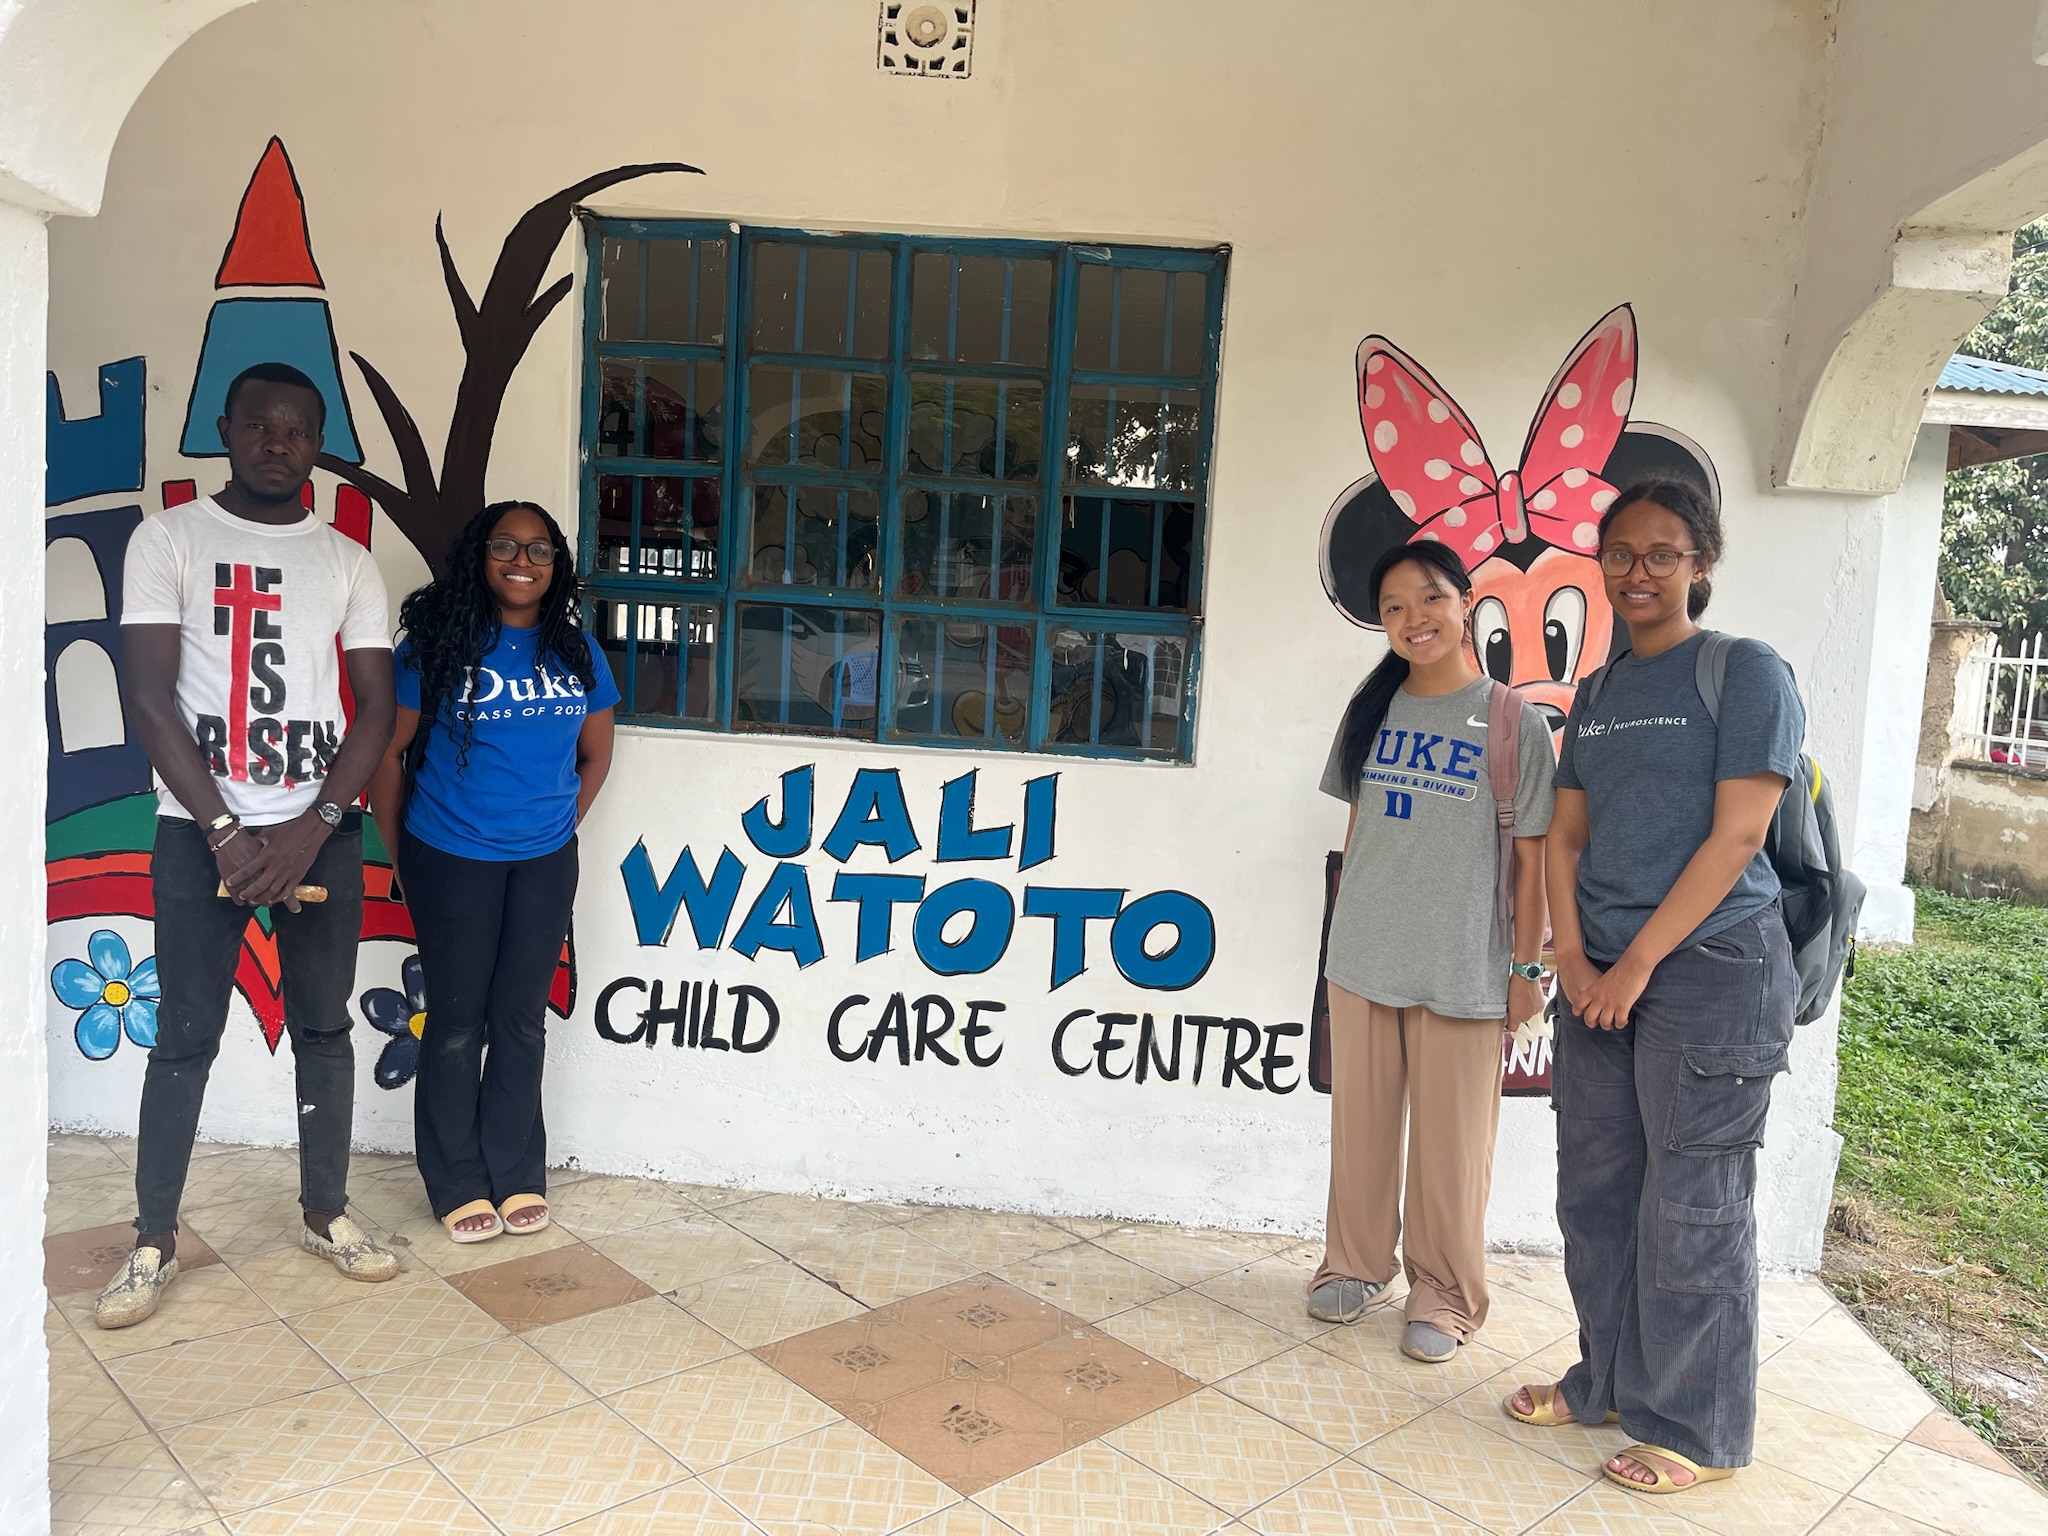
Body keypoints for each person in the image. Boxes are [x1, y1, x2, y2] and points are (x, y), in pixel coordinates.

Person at [1506, 478, 1804, 1497]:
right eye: (1620, 553)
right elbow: (1568, 834)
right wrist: (1574, 958)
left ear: (1701, 563)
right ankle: (1605, 1383)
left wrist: (1632, 965)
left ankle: (1695, 1425)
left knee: (1693, 1205)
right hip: (1601, 975)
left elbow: (1737, 836)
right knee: (1594, 1194)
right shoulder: (1595, 691)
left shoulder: (1743, 674)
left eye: (1661, 554)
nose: (1636, 572)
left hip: (1711, 971)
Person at [98, 362, 400, 1328]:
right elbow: (147, 700)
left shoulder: (347, 560)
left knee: (324, 1027)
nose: (278, 444)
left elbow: (377, 709)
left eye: (298, 431)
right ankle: (153, 1240)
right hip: (198, 834)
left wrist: (314, 827)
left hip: (319, 833)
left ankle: (326, 1213)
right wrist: (226, 831)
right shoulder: (168, 540)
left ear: (320, 446)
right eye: (260, 426)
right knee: (183, 1037)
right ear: (225, 430)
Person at [1309, 539, 1555, 1362]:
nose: (1414, 620)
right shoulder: (1370, 708)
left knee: (1453, 1150)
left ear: (1466, 602)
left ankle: (1445, 1295)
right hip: (1367, 953)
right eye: (1394, 608)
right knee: (1363, 1128)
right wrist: (1342, 937)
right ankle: (1353, 1262)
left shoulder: (1515, 721)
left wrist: (1526, 969)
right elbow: (1361, 830)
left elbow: (1533, 861)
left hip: (1465, 963)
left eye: (1430, 600)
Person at [369, 502, 617, 1243]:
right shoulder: (436, 647)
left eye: (539, 549)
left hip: (542, 863)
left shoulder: (577, 653)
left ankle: (515, 1175)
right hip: (451, 857)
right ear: (480, 554)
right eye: (505, 545)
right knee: (454, 1025)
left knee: (520, 1021)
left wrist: (555, 832)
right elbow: (386, 754)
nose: (522, 560)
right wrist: (402, 855)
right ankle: (455, 1182)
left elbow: (596, 755)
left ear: (557, 565)